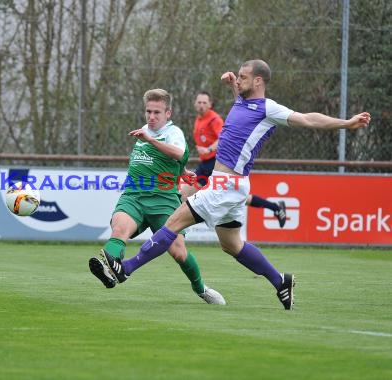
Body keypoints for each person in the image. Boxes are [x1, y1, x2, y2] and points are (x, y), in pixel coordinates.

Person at [99, 60, 371, 310]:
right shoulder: (241, 101)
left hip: (226, 186)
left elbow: (307, 118)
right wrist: (233, 86)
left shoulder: (268, 108)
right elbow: (242, 111)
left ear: (258, 82)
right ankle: (280, 282)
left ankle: (127, 269)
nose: (237, 80)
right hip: (229, 185)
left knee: (172, 224)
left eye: (243, 77)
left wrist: (346, 124)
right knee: (232, 245)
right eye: (237, 77)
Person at [88, 88, 225, 305]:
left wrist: (152, 142)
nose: (151, 117)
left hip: (163, 200)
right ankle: (110, 266)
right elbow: (172, 160)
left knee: (179, 253)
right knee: (119, 228)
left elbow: (179, 153)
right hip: (133, 195)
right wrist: (181, 172)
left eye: (157, 113)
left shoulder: (173, 133)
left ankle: (200, 289)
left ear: (167, 113)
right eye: (148, 111)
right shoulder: (145, 129)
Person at [188, 90, 287, 227]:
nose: (201, 105)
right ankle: (275, 207)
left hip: (216, 164)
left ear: (210, 104)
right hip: (205, 164)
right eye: (199, 102)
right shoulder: (198, 119)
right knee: (186, 194)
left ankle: (275, 208)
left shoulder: (214, 119)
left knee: (240, 198)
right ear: (194, 104)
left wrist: (209, 148)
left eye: (204, 102)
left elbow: (223, 138)